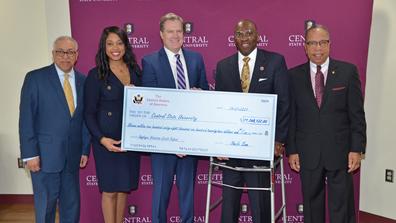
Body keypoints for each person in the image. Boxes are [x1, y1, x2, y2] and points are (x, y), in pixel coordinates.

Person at [286, 24, 367, 223]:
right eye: (312, 43)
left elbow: (357, 114)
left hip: (340, 151)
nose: (317, 48)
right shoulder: (293, 76)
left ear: (330, 45)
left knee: (342, 207)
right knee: (312, 208)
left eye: (322, 43)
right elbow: (291, 116)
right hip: (307, 151)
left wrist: (357, 149)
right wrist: (292, 150)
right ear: (305, 47)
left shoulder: (348, 72)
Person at [215, 19, 289, 223]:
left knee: (260, 207)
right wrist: (217, 143)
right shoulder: (223, 66)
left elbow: (284, 103)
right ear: (234, 38)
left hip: (261, 148)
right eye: (240, 34)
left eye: (249, 33)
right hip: (231, 151)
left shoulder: (275, 62)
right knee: (228, 208)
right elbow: (219, 109)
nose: (245, 37)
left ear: (257, 36)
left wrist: (279, 140)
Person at [141, 12, 209, 223]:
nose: (175, 35)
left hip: (190, 140)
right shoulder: (150, 61)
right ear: (161, 34)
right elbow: (151, 107)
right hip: (163, 142)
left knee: (187, 192)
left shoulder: (196, 59)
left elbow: (205, 95)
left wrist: (200, 94)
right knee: (161, 192)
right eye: (170, 31)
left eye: (179, 31)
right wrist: (172, 141)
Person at [19, 36, 90, 223]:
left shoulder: (84, 81)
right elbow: (26, 119)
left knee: (71, 206)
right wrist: (29, 154)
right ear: (53, 54)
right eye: (60, 52)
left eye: (70, 52)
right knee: (46, 207)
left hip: (72, 156)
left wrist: (84, 148)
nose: (65, 56)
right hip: (44, 157)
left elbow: (84, 119)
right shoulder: (35, 78)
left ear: (77, 55)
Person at [84, 26, 142, 223]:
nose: (115, 48)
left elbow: (144, 104)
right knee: (109, 191)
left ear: (126, 45)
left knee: (124, 188)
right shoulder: (96, 74)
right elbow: (89, 113)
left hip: (130, 139)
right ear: (104, 47)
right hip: (107, 141)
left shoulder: (135, 71)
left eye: (119, 42)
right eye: (110, 43)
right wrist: (102, 140)